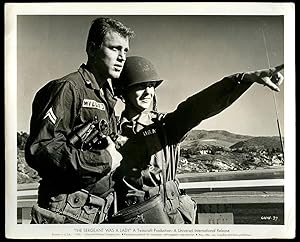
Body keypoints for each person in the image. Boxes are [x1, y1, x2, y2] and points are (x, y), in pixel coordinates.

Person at [110, 56, 284, 224]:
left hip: (168, 215)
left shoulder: (166, 125)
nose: (148, 92)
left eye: (151, 86)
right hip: (130, 217)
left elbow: (198, 106)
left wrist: (245, 79)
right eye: (141, 86)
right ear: (123, 91)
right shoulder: (111, 130)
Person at [25, 17, 135, 224]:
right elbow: (42, 148)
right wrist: (105, 159)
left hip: (99, 210)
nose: (122, 57)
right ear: (92, 49)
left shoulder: (104, 96)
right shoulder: (68, 88)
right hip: (67, 212)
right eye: (115, 48)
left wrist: (115, 145)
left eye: (125, 51)